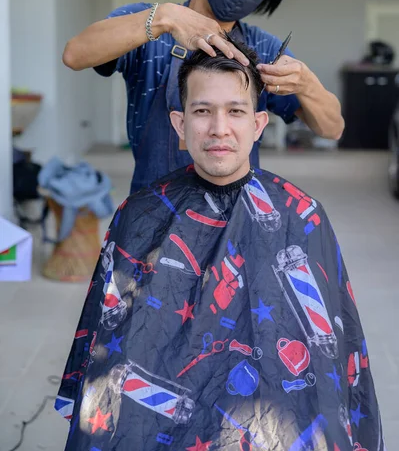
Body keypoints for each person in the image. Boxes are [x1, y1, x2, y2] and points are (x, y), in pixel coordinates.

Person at [56, 42, 384, 451]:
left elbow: (336, 352)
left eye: (235, 111)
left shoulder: (302, 216)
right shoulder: (139, 216)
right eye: (201, 111)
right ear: (179, 124)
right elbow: (107, 355)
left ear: (259, 124)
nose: (219, 129)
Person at [63, 0, 344, 194]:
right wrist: (164, 18)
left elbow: (332, 128)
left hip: (235, 217)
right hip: (152, 210)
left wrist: (307, 83)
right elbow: (75, 54)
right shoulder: (151, 25)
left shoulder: (263, 48)